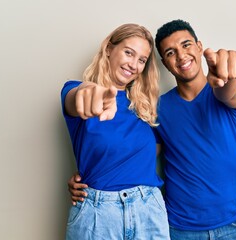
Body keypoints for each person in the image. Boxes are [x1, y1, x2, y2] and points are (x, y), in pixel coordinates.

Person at [69, 19, 236, 240]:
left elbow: (229, 92)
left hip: (232, 224)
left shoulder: (219, 95)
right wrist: (89, 179)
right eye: (171, 52)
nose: (181, 56)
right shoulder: (157, 108)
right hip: (180, 227)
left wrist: (227, 77)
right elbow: (132, 153)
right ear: (164, 62)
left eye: (186, 45)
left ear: (199, 47)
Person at [61, 23, 170, 240]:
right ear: (109, 49)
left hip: (148, 210)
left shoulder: (146, 108)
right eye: (128, 52)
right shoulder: (75, 90)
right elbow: (76, 98)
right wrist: (88, 91)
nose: (134, 64)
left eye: (141, 60)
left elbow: (150, 152)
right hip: (98, 215)